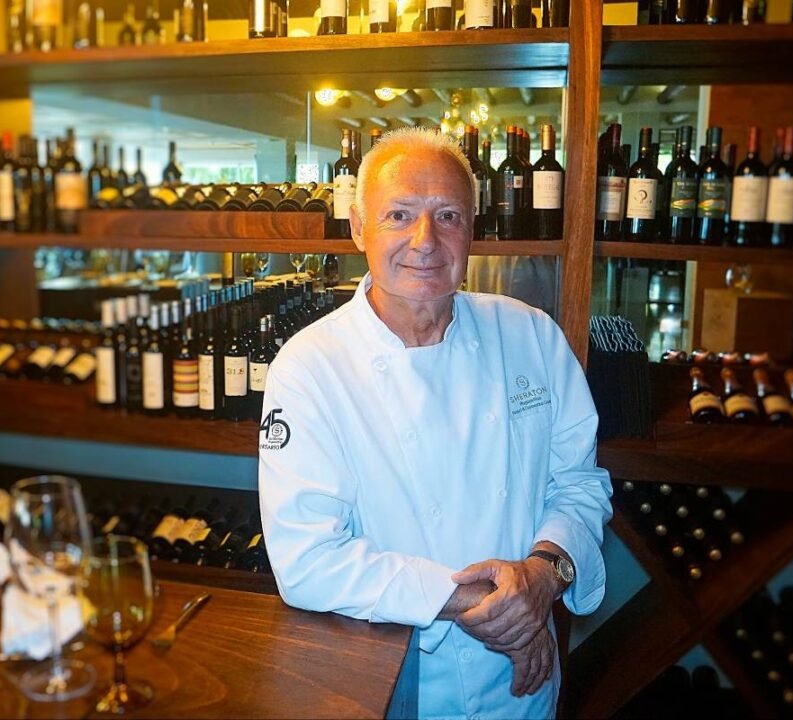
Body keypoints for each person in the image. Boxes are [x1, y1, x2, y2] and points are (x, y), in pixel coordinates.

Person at [257, 128, 612, 719]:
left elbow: (579, 483)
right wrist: (502, 607)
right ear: (358, 229)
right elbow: (309, 559)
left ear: (472, 231)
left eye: (447, 215)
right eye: (398, 214)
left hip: (517, 684)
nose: (425, 241)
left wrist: (546, 575)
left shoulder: (531, 336)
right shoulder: (309, 366)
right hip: (395, 678)